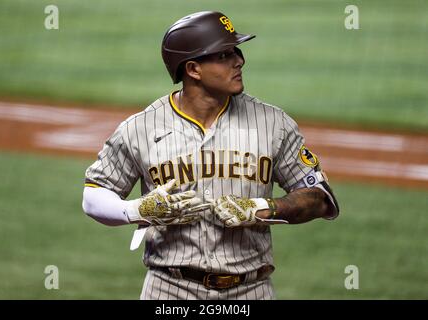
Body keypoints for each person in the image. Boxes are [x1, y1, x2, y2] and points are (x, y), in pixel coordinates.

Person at [82, 11, 339, 300]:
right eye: (223, 55)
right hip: (169, 290)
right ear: (193, 69)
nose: (239, 61)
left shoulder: (273, 124)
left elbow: (319, 197)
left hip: (251, 290)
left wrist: (260, 208)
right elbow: (94, 195)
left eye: (236, 51)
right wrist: (138, 210)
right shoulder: (140, 128)